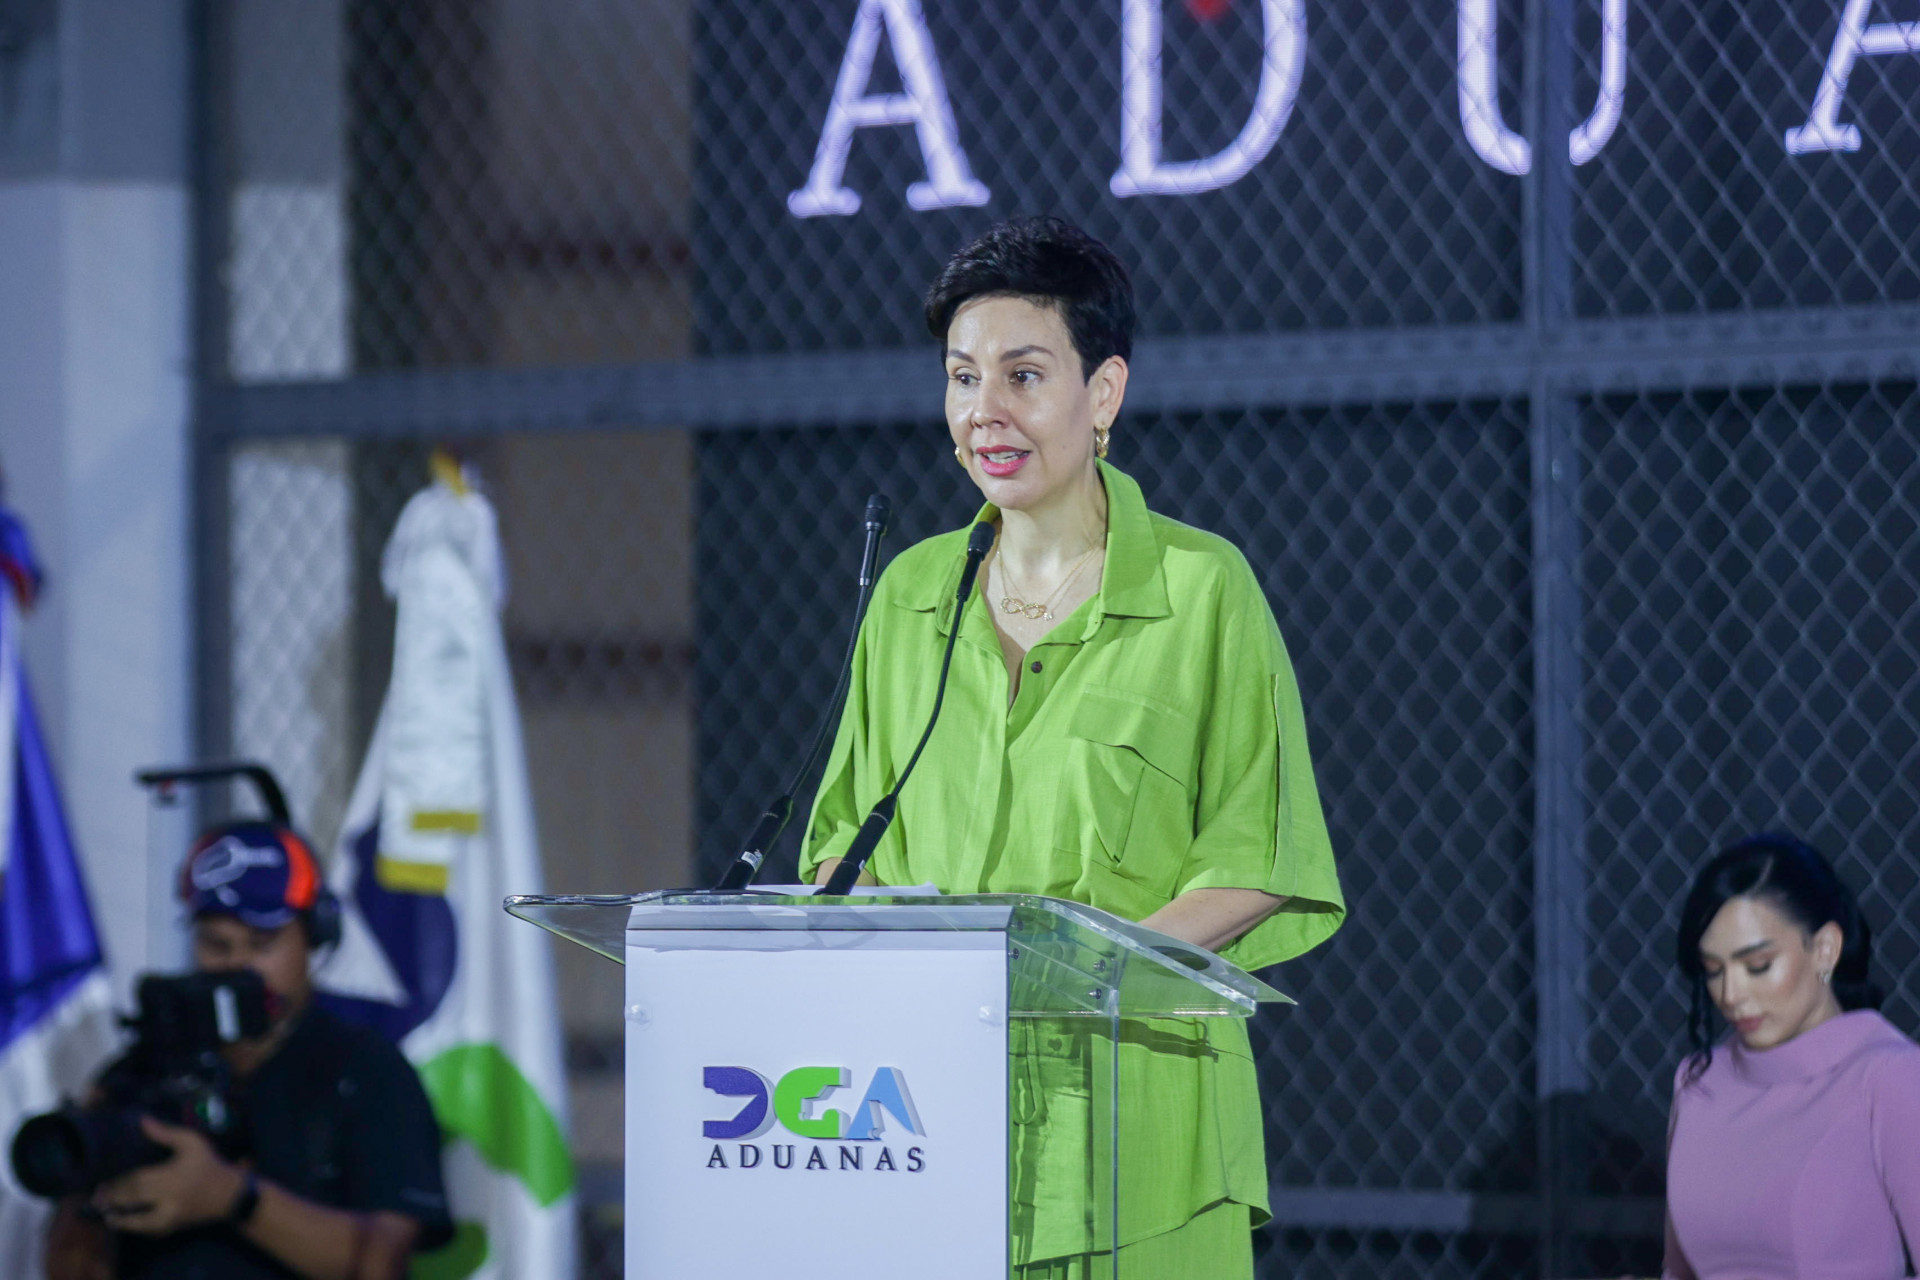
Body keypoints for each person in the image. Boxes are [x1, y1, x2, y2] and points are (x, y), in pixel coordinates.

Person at [801, 215, 1346, 1278]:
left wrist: (1069, 978)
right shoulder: (909, 594)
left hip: (1144, 1144)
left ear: (1104, 394)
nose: (984, 412)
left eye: (1023, 375)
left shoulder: (1203, 590)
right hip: (927, 1121)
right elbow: (841, 846)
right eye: (963, 378)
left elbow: (1258, 859)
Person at [46, 822, 452, 1280]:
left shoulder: (365, 1070)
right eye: (216, 944)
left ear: (313, 937)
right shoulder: (142, 1071)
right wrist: (86, 1182)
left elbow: (382, 1262)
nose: (238, 964)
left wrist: (231, 1196)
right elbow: (67, 1267)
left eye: (262, 944)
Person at [1663, 834, 1920, 1279]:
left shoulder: (1889, 1078)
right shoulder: (1698, 1082)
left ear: (1825, 949)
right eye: (1714, 970)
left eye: (1758, 965)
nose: (1731, 994)